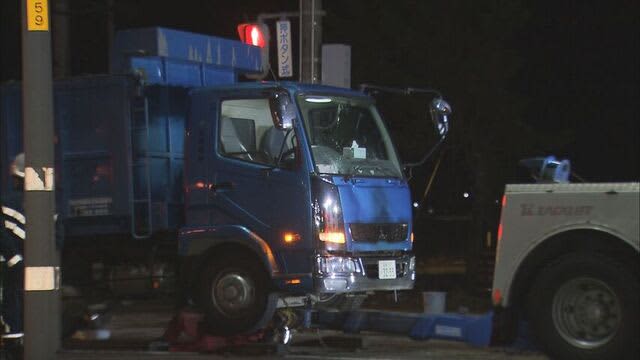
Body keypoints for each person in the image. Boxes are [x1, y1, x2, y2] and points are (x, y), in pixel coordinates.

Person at [0, 153, 25, 340]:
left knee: (10, 302)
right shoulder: (50, 204)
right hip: (37, 266)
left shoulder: (7, 203)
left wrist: (14, 259)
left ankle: (13, 341)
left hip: (8, 263)